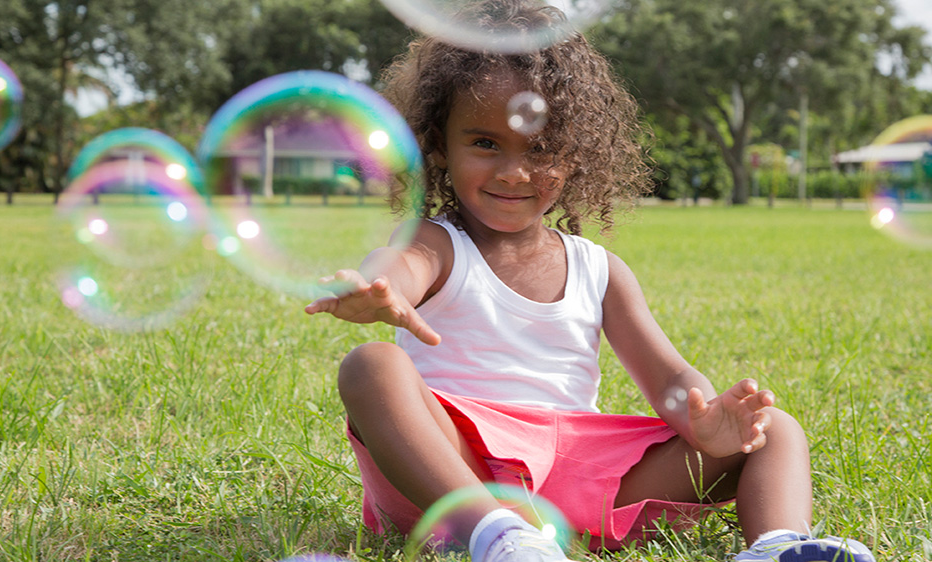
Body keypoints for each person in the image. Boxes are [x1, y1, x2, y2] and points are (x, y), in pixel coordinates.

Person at [306, 1, 876, 561]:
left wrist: (704, 417)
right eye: (484, 143)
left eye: (542, 148)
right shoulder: (438, 243)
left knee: (773, 429)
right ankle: (500, 538)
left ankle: (778, 546)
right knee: (371, 366)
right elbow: (401, 267)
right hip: (453, 476)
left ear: (579, 154)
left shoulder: (598, 269)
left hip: (581, 475)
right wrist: (379, 289)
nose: (513, 171)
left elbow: (669, 377)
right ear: (438, 144)